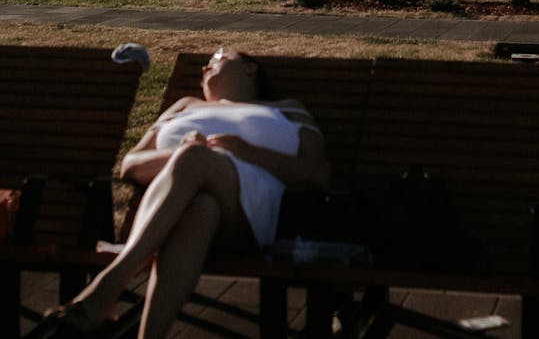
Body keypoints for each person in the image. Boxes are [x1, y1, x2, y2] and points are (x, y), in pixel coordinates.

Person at [47, 48, 329, 339]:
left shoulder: (288, 109)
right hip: (184, 211)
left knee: (195, 159)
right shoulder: (185, 105)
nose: (206, 65)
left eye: (218, 57)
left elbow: (318, 175)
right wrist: (179, 152)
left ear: (249, 68)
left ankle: (110, 284)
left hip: (253, 215)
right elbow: (130, 165)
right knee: (202, 207)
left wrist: (248, 152)